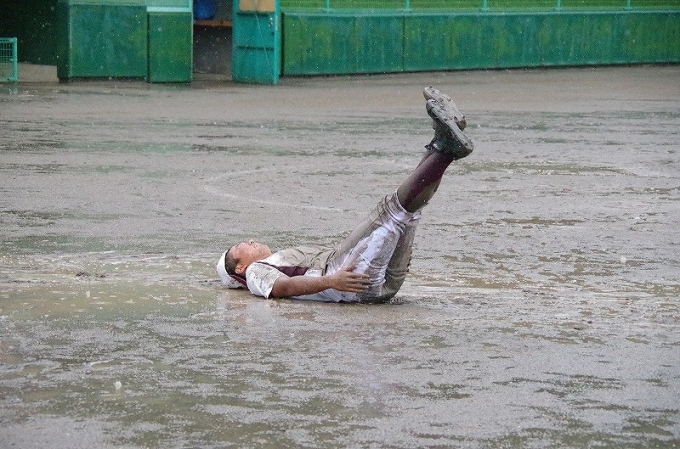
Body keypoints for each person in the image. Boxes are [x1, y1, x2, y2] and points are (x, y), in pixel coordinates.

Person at [216, 87, 474, 303]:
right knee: (391, 211)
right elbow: (284, 288)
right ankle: (444, 147)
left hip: (359, 283)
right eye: (241, 246)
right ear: (240, 267)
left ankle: (442, 142)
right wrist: (331, 281)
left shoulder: (271, 263)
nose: (250, 240)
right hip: (344, 276)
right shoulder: (255, 273)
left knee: (407, 213)